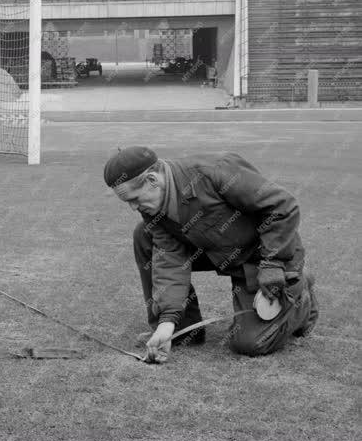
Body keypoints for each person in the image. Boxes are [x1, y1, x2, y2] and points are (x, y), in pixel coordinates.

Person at [103, 145, 318, 363]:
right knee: (144, 234)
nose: (133, 207)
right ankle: (184, 330)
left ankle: (302, 296)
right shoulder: (152, 207)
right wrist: (168, 322)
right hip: (215, 251)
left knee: (250, 343)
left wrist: (273, 263)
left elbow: (282, 206)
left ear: (152, 179)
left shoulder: (216, 170)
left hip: (262, 257)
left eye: (135, 198)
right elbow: (169, 259)